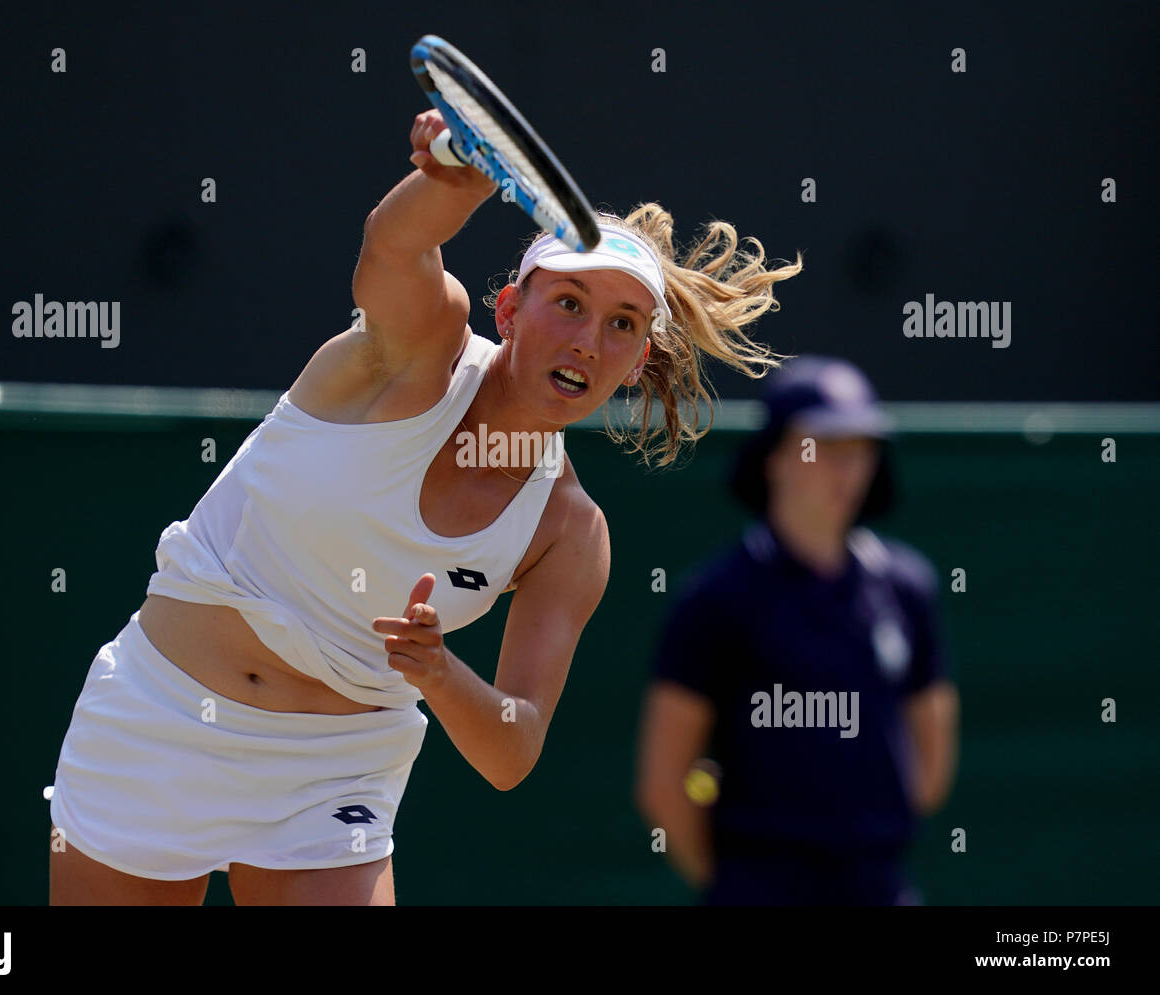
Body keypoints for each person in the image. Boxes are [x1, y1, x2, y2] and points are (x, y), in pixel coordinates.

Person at [48, 108, 801, 905]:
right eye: (569, 304)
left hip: (335, 771)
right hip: (162, 715)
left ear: (638, 359)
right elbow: (394, 245)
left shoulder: (569, 533)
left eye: (621, 324)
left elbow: (512, 750)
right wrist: (458, 181)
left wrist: (439, 673)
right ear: (509, 310)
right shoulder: (418, 349)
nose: (588, 341)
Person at [636, 356, 960, 905]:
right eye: (824, 446)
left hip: (881, 886)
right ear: (775, 458)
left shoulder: (908, 588)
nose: (846, 468)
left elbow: (930, 762)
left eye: (859, 449)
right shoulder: (715, 600)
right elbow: (665, 785)